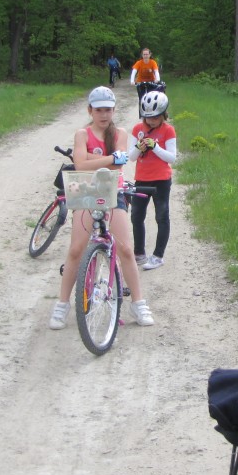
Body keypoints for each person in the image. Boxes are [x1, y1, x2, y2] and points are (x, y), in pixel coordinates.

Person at [48, 86, 156, 329]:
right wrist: (108, 159)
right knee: (76, 249)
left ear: (114, 110)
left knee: (126, 249)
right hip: (86, 189)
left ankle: (138, 303)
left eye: (108, 110)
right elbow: (80, 165)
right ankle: (62, 304)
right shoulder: (82, 134)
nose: (104, 115)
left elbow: (117, 166)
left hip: (113, 190)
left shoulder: (119, 133)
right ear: (90, 110)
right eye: (99, 110)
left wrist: (93, 160)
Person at [128, 89, 177, 270]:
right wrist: (139, 147)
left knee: (161, 216)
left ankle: (158, 256)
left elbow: (171, 158)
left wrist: (155, 147)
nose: (151, 121)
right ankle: (139, 253)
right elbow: (131, 157)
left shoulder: (168, 130)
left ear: (163, 114)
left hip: (161, 180)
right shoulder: (137, 129)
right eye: (148, 118)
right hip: (142, 179)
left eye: (156, 117)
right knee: (136, 216)